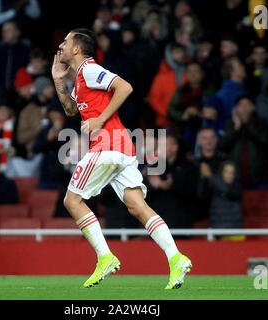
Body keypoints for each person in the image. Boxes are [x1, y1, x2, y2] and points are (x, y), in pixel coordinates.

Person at [52, 28, 191, 289]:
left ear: (77, 49)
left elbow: (125, 87)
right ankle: (176, 258)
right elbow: (71, 110)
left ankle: (104, 257)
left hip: (107, 146)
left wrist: (100, 119)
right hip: (123, 148)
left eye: (65, 42)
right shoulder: (81, 77)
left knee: (72, 200)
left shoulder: (90, 69)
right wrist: (59, 80)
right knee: (137, 206)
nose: (60, 46)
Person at [220, 95, 268, 189]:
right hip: (236, 178)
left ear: (253, 107)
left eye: (247, 104)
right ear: (236, 108)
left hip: (258, 178)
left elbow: (265, 141)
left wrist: (248, 123)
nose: (243, 108)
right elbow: (223, 146)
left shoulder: (261, 123)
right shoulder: (230, 124)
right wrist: (236, 127)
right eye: (240, 105)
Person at [197, 161, 244, 240]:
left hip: (234, 233)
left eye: (232, 172)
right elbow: (201, 195)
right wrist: (203, 178)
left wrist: (210, 176)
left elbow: (227, 190)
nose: (229, 175)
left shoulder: (237, 187)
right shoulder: (215, 185)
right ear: (221, 173)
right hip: (216, 232)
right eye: (226, 172)